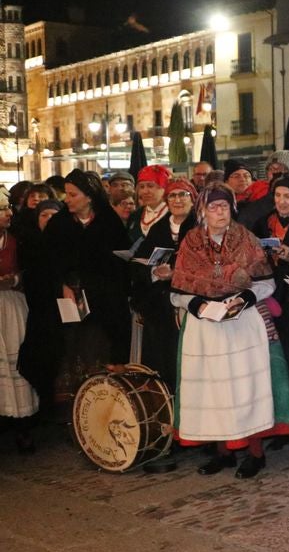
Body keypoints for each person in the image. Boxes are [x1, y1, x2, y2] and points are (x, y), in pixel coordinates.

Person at [170, 184, 289, 478]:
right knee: (212, 389)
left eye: (225, 206)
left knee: (246, 389)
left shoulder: (246, 239)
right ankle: (222, 453)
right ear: (202, 211)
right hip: (205, 327)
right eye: (214, 207)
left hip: (242, 323)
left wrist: (246, 298)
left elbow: (267, 282)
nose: (220, 212)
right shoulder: (190, 243)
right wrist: (197, 304)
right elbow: (176, 290)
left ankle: (255, 453)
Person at [44, 170, 132, 387]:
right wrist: (63, 284)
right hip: (69, 300)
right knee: (72, 352)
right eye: (66, 194)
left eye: (73, 195)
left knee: (100, 352)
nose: (67, 200)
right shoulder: (59, 224)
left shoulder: (109, 221)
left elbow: (120, 262)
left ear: (89, 196)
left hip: (104, 303)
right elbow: (48, 261)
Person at [130, 179, 198, 407]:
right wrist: (154, 273)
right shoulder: (158, 229)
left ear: (192, 199)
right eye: (172, 196)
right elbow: (138, 261)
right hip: (159, 310)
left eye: (183, 195)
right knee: (163, 362)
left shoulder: (200, 227)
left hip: (190, 307)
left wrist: (176, 273)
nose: (177, 200)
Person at [251, 173, 289, 401]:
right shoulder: (264, 222)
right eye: (278, 195)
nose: (282, 201)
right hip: (267, 295)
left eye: (288, 196)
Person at [15, 200, 64, 416]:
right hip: (37, 310)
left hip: (64, 310)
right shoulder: (29, 244)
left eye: (54, 215)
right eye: (44, 215)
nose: (50, 220)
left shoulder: (68, 243)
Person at [0, 194, 38, 452]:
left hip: (11, 305)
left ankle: (22, 425)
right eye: (2, 209)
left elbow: (31, 271)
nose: (9, 213)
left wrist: (14, 280)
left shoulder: (17, 240)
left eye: (8, 207)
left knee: (17, 360)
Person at [130, 164, 172, 245]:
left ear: (164, 188)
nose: (145, 191)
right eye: (141, 187)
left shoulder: (173, 215)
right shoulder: (134, 216)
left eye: (150, 186)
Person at [225, 158, 272, 230]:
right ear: (226, 182)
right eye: (236, 176)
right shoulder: (223, 202)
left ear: (252, 180)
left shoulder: (264, 194)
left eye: (246, 176)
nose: (242, 179)